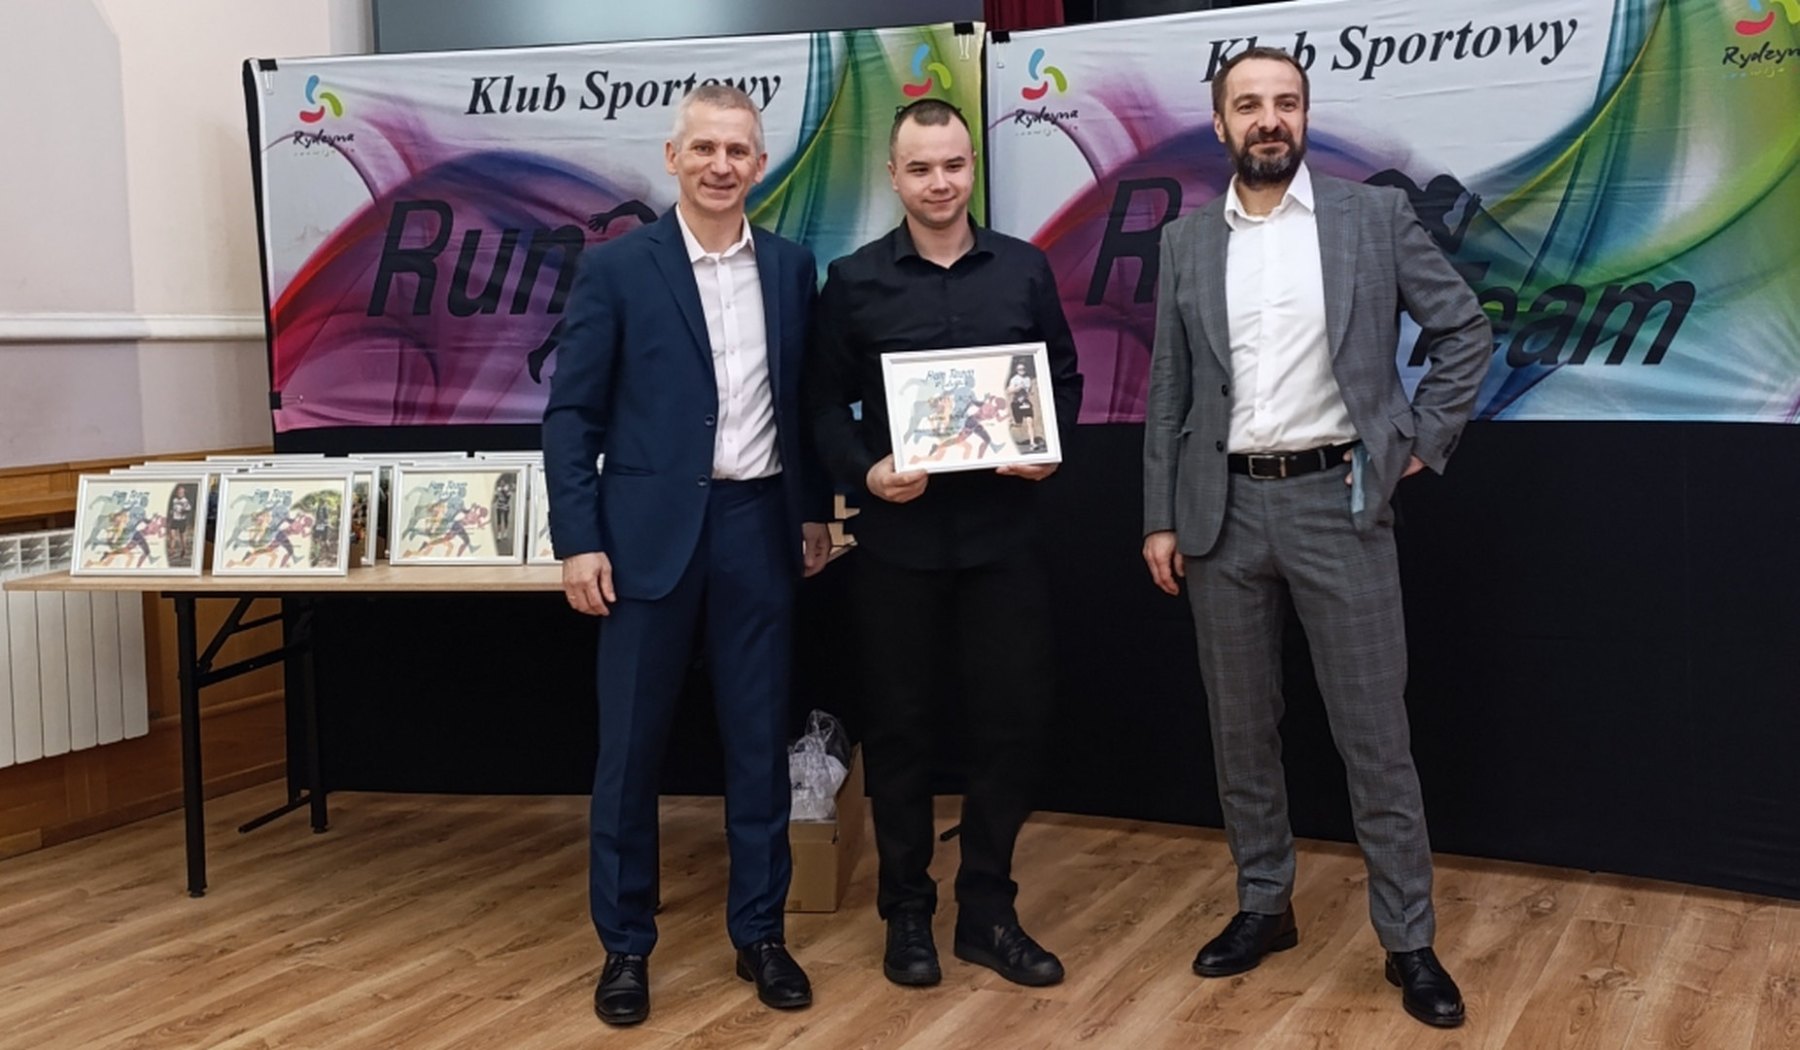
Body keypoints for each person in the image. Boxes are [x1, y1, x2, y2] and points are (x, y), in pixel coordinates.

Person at [1140, 47, 1492, 1029]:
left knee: (1375, 737)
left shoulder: (1371, 218)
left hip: (1341, 503)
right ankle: (1265, 904)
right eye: (1249, 104)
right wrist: (1159, 514)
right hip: (1220, 513)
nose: (1269, 118)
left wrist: (1416, 442)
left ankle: (1408, 940)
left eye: (1286, 102)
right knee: (1241, 730)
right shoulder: (1185, 242)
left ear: (1304, 115)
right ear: (1221, 123)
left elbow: (1463, 331)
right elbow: (1169, 390)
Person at [542, 83, 833, 1028]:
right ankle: (625, 948)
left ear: (760, 164)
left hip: (758, 528)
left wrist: (813, 512)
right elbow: (571, 416)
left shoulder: (791, 268)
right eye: (704, 148)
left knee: (759, 744)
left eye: (737, 150)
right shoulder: (619, 270)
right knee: (630, 752)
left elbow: (803, 403)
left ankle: (761, 934)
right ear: (673, 158)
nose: (720, 165)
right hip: (644, 542)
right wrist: (579, 539)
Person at [803, 98, 1083, 990]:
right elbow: (820, 404)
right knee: (900, 733)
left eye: (953, 165)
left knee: (1013, 725)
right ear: (894, 176)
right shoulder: (853, 281)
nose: (939, 182)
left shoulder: (1024, 269)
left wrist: (1047, 445)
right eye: (920, 168)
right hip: (897, 545)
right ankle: (907, 913)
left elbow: (1062, 379)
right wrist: (865, 470)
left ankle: (989, 912)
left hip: (1005, 542)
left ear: (973, 168)